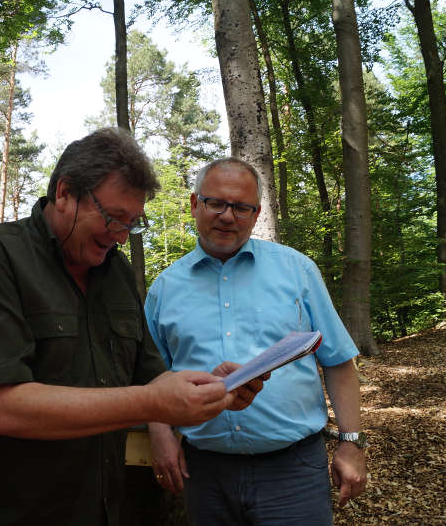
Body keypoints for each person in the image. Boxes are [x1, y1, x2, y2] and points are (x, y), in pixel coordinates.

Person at [0, 128, 266, 526]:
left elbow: (150, 378)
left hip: (109, 508)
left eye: (131, 223)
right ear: (64, 193)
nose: (119, 236)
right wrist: (153, 403)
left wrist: (212, 389)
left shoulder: (115, 270)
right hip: (20, 511)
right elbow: (3, 410)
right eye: (114, 217)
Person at [145, 157, 367, 525]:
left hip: (293, 472)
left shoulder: (297, 271)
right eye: (215, 202)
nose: (227, 216)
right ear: (193, 204)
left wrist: (352, 442)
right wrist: (160, 434)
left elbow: (339, 361)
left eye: (241, 207)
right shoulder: (165, 288)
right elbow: (153, 372)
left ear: (256, 212)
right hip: (204, 473)